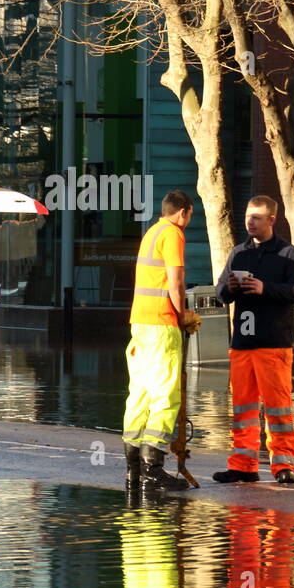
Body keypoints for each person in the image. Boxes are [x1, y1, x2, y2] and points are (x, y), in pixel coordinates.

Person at [213, 195, 294, 485]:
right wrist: (229, 289)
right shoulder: (238, 253)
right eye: (247, 216)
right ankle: (243, 465)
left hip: (274, 342)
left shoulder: (288, 253)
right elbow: (219, 293)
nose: (250, 222)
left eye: (256, 217)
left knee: (278, 406)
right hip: (242, 343)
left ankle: (283, 465)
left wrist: (265, 288)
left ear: (271, 220)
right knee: (243, 408)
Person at [122, 190, 194, 495]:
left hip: (139, 324)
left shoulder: (151, 231)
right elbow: (175, 283)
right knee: (165, 395)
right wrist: (184, 315)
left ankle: (134, 471)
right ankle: (154, 471)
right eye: (189, 215)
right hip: (162, 325)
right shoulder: (173, 234)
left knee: (140, 395)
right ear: (183, 212)